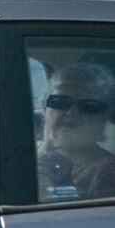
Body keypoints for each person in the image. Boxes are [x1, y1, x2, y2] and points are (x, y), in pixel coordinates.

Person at [36, 62, 115, 201]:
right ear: (44, 107)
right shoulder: (22, 154)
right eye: (60, 101)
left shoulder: (108, 171)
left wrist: (62, 187)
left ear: (104, 118)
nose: (72, 113)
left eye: (89, 106)